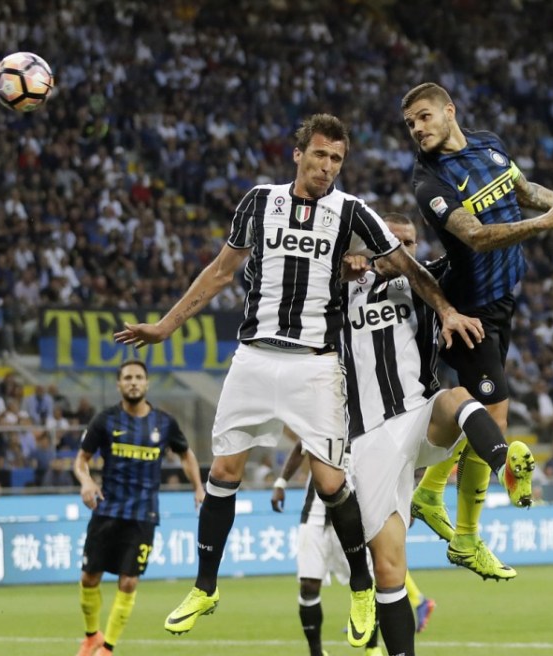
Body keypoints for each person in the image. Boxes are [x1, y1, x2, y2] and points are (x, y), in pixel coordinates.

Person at [115, 113, 483, 645]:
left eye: (336, 159)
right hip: (254, 356)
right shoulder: (260, 202)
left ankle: (361, 587)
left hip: (314, 363)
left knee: (333, 483)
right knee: (223, 470)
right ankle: (205, 587)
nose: (327, 167)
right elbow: (221, 272)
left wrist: (446, 310)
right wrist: (165, 326)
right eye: (319, 156)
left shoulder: (352, 212)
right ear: (298, 155)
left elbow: (408, 266)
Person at [401, 82, 553, 580]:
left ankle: (428, 492)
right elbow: (476, 235)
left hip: (502, 301)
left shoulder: (489, 143)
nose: (417, 129)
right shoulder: (430, 183)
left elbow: (524, 191)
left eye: (424, 117)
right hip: (469, 313)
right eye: (410, 124)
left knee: (480, 413)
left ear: (450, 111)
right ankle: (466, 539)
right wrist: (545, 224)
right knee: (495, 421)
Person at [344, 212, 535, 655]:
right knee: (390, 568)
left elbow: (474, 250)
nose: (405, 252)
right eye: (395, 243)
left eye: (411, 243)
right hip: (369, 437)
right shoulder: (344, 288)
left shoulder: (429, 287)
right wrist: (344, 266)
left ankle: (503, 463)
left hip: (420, 419)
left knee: (456, 397)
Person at [73, 359, 204, 656]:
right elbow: (81, 459)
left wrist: (198, 486)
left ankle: (107, 647)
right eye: (128, 377)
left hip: (143, 514)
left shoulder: (164, 423)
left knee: (129, 581)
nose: (133, 382)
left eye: (139, 377)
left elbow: (186, 454)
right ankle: (92, 635)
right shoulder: (105, 420)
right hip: (107, 511)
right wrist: (86, 481)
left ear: (147, 383)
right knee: (88, 578)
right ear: (119, 384)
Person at [270, 435, 435, 656]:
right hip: (315, 516)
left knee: (372, 581)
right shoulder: (323, 419)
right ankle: (316, 652)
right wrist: (281, 483)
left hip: (355, 518)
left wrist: (405, 498)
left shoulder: (369, 424)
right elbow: (301, 444)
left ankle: (373, 649)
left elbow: (395, 459)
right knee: (308, 585)